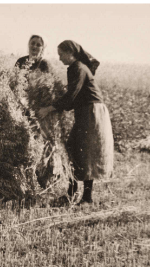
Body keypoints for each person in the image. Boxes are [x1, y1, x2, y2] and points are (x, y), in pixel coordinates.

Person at [36, 40, 114, 205]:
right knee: (75, 151)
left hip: (92, 113)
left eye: (61, 54)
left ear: (71, 53)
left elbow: (71, 96)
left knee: (84, 153)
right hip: (88, 112)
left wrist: (49, 108)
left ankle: (85, 198)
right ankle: (73, 195)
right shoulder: (77, 67)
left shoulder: (77, 68)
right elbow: (72, 99)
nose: (59, 58)